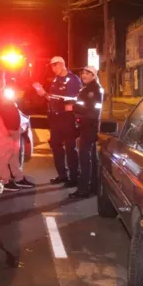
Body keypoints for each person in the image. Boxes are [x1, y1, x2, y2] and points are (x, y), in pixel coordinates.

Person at [34, 56, 81, 187]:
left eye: (55, 65)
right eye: (51, 66)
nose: (53, 68)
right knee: (56, 147)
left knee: (70, 148)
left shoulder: (73, 80)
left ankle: (74, 177)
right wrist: (43, 94)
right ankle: (62, 175)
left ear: (62, 64)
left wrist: (45, 94)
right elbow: (52, 99)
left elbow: (72, 99)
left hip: (68, 117)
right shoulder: (55, 80)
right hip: (55, 118)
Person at [0, 74, 35, 192]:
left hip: (12, 130)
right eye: (3, 78)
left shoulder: (2, 93)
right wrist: (4, 130)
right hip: (4, 130)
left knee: (14, 155)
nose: (4, 81)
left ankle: (18, 178)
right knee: (5, 156)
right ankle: (6, 180)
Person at [69, 66, 104, 199]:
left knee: (85, 158)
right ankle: (93, 187)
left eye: (88, 73)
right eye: (83, 73)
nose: (84, 75)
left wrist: (75, 111)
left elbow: (92, 113)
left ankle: (83, 189)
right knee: (92, 158)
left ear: (93, 76)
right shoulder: (89, 89)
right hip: (89, 127)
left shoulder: (93, 90)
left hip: (89, 127)